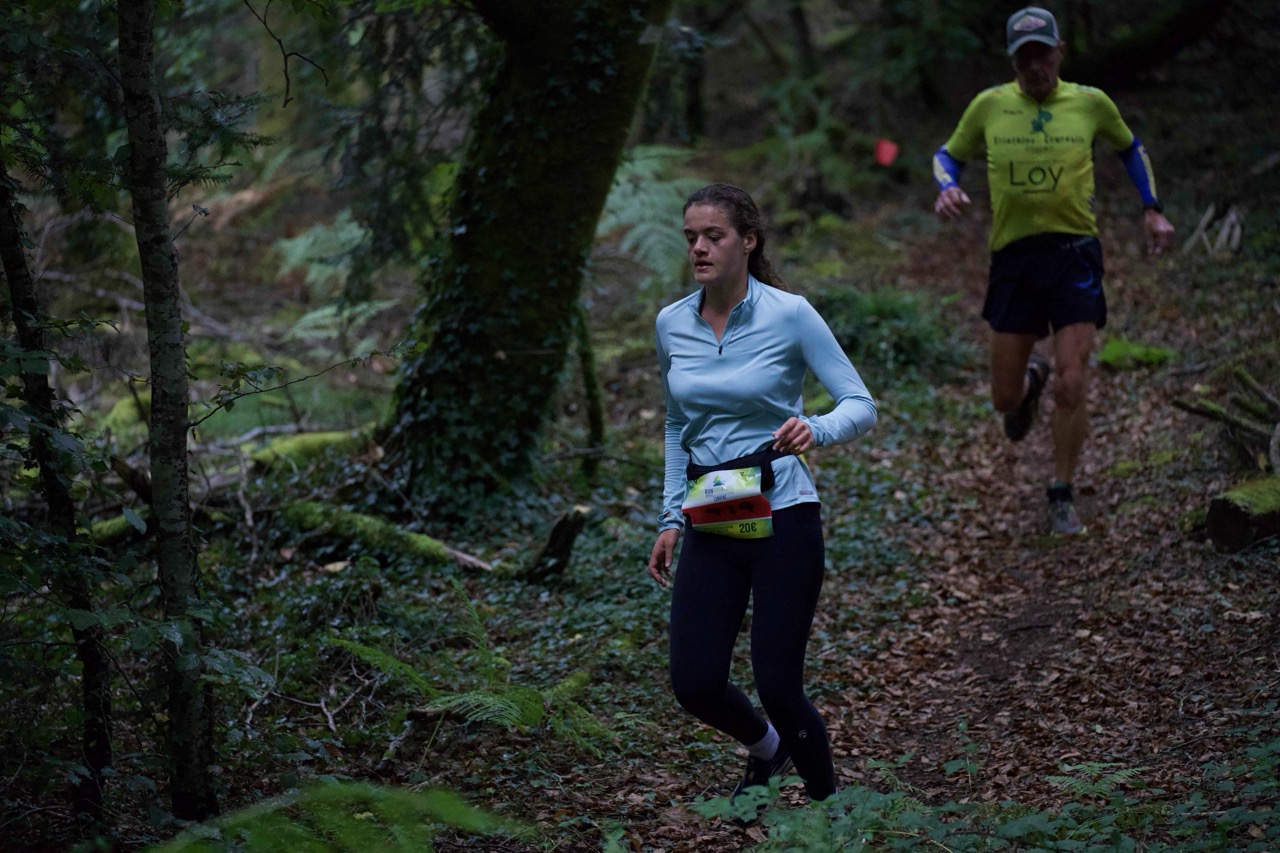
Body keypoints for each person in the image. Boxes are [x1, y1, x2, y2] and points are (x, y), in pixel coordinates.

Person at [647, 183, 877, 808]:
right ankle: (769, 750)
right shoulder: (672, 323)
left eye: (713, 236)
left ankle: (830, 814)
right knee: (695, 682)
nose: (699, 248)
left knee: (779, 685)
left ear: (748, 240)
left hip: (784, 515)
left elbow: (860, 403)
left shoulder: (790, 314)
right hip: (710, 518)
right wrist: (669, 517)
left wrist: (815, 429)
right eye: (691, 237)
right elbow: (677, 424)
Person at [932, 6, 1176, 534]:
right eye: (1024, 57)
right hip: (1014, 259)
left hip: (1074, 255)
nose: (1034, 66)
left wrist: (1151, 208)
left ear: (1059, 52)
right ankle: (1031, 380)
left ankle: (1061, 491)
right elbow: (947, 155)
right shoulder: (989, 105)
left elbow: (1131, 148)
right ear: (1013, 61)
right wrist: (947, 186)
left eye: (1042, 54)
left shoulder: (1090, 103)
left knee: (1073, 380)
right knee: (1005, 399)